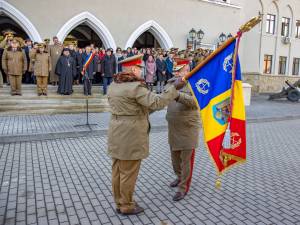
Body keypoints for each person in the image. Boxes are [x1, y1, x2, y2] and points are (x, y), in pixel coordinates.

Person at [107, 54, 185, 215]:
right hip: (131, 134)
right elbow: (156, 102)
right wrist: (173, 88)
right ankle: (127, 205)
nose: (142, 72)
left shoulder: (113, 85)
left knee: (117, 171)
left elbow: (138, 107)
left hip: (116, 132)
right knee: (128, 173)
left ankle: (119, 202)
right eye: (140, 69)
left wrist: (156, 104)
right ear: (134, 69)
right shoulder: (135, 87)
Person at [166, 60, 201, 202]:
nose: (187, 72)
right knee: (175, 159)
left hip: (188, 127)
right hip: (174, 127)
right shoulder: (170, 84)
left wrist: (179, 95)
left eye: (187, 69)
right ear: (176, 72)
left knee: (186, 160)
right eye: (184, 70)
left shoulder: (194, 83)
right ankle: (179, 177)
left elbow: (196, 102)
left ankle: (183, 187)